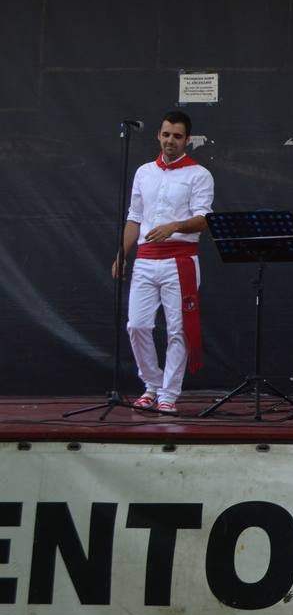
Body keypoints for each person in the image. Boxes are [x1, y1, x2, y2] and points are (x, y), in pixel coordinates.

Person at [113, 110, 214, 414]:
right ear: (158, 135)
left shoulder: (198, 174)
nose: (171, 141)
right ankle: (151, 384)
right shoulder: (144, 172)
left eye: (177, 136)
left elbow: (204, 219)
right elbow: (134, 216)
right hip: (145, 258)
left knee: (178, 330)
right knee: (137, 325)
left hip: (180, 260)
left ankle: (169, 393)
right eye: (166, 134)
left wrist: (175, 226)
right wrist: (122, 253)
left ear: (187, 140)